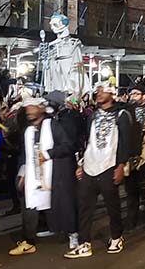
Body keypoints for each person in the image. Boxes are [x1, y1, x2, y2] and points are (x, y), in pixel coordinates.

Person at [64, 81, 130, 258]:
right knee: (84, 207)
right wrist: (81, 164)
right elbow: (89, 142)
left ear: (112, 94)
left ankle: (116, 237)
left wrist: (121, 165)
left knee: (112, 206)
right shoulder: (93, 116)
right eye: (97, 91)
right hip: (90, 167)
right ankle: (84, 243)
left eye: (103, 91)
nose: (99, 94)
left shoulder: (122, 114)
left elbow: (125, 143)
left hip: (109, 167)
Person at [9, 97, 70, 255]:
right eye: (27, 108)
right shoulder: (28, 130)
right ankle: (28, 241)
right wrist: (23, 171)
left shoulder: (53, 125)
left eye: (33, 107)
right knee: (29, 205)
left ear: (42, 109)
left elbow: (67, 146)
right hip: (33, 175)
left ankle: (71, 233)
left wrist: (48, 154)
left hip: (52, 174)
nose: (29, 111)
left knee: (58, 206)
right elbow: (25, 154)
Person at [45, 91, 82, 249]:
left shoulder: (70, 118)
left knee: (67, 198)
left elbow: (70, 142)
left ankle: (73, 233)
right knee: (54, 197)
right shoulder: (53, 119)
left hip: (66, 161)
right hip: (53, 161)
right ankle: (56, 226)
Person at [124, 82, 145, 232]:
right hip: (129, 154)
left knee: (144, 189)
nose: (133, 96)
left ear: (144, 96)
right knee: (130, 191)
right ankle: (131, 221)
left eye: (136, 94)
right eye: (131, 94)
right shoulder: (127, 111)